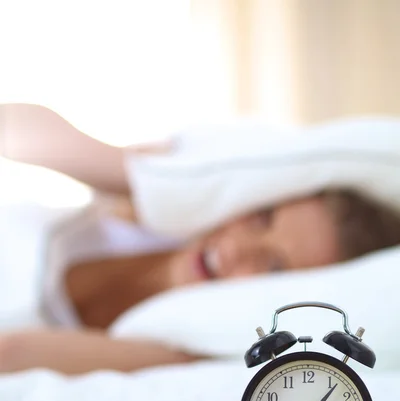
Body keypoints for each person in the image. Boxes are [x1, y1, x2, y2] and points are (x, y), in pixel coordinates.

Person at [1, 103, 400, 375]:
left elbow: (11, 354)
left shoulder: (166, 350)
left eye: (274, 266)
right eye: (262, 218)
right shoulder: (114, 219)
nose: (238, 250)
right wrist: (134, 171)